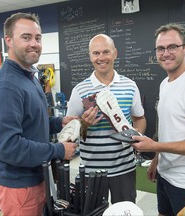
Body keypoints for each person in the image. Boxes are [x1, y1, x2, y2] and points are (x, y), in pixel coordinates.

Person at [0, 13, 78, 216]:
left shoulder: (29, 76)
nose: (34, 44)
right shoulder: (7, 86)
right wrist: (58, 150)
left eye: (38, 37)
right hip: (19, 186)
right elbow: (9, 148)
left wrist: (58, 122)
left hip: (35, 177)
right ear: (8, 40)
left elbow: (33, 121)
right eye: (26, 37)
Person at [131, 23, 185, 215]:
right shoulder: (165, 84)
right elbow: (168, 129)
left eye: (172, 47)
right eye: (161, 48)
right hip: (165, 173)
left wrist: (154, 147)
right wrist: (156, 161)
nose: (166, 53)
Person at [66, 34, 146, 204]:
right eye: (96, 53)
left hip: (125, 168)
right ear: (90, 56)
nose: (101, 58)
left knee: (126, 212)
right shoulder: (79, 90)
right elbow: (68, 134)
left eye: (106, 52)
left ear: (115, 53)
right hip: (91, 170)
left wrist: (137, 135)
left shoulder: (130, 86)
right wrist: (84, 125)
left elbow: (140, 118)